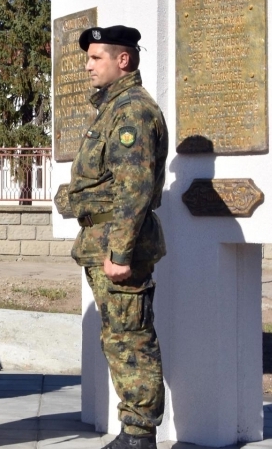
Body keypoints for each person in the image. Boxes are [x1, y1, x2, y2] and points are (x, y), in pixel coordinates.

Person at [68, 25, 168, 449]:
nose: (88, 65)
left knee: (130, 340)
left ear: (122, 60)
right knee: (118, 338)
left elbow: (135, 187)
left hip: (117, 247)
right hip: (102, 241)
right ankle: (132, 432)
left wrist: (121, 252)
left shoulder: (132, 113)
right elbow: (108, 178)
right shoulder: (113, 108)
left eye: (96, 58)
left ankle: (140, 436)